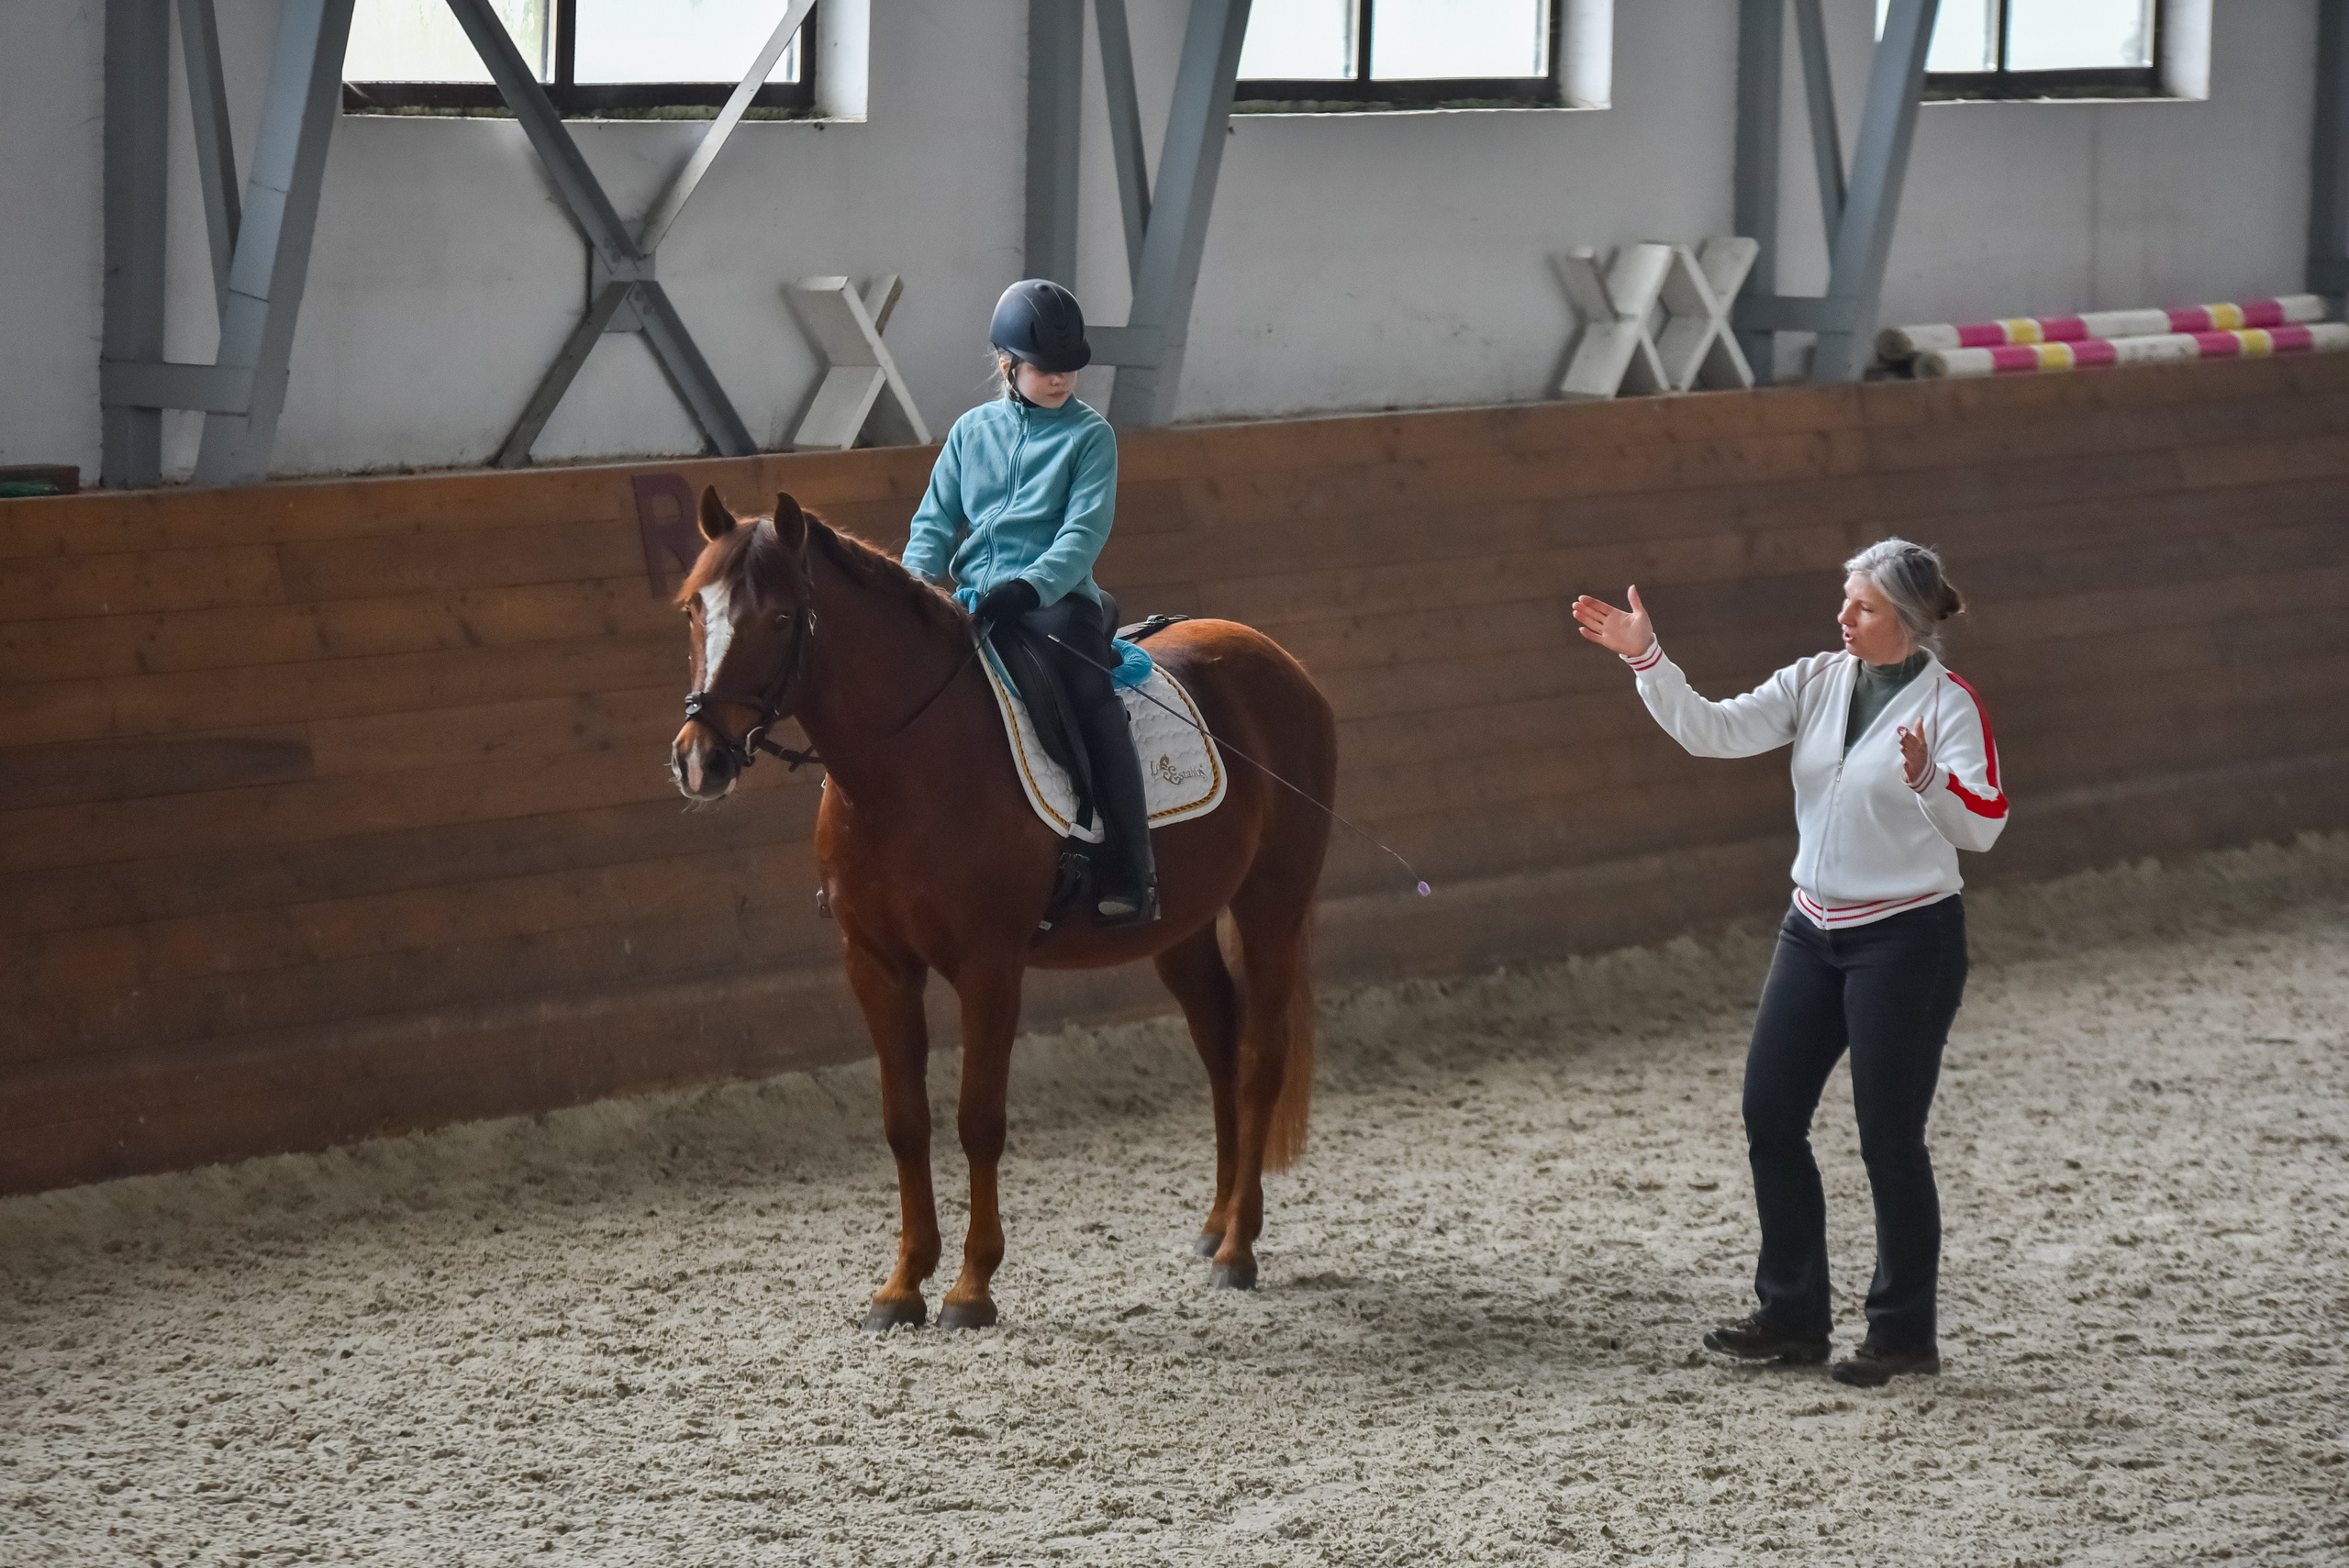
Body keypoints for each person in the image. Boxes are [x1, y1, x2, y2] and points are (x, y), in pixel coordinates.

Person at [1571, 540, 2007, 1387]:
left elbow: (1984, 822)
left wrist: (1928, 783)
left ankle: (1903, 1332)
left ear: (1908, 623)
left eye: (1863, 607)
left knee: (1888, 1137)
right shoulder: (1814, 679)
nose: (1842, 617)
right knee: (1770, 1113)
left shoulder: (1951, 706)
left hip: (1907, 940)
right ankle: (1793, 1313)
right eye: (1844, 600)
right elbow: (1714, 730)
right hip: (1812, 929)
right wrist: (1646, 660)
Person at [902, 279, 1157, 926]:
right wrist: (913, 588)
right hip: (974, 601)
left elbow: (1083, 533)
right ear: (1008, 364)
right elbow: (933, 522)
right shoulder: (970, 432)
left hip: (1058, 602)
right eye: (1047, 367)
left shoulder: (1091, 437)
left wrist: (1029, 586)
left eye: (1071, 367)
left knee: (1087, 692)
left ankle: (1130, 859)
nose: (1062, 378)